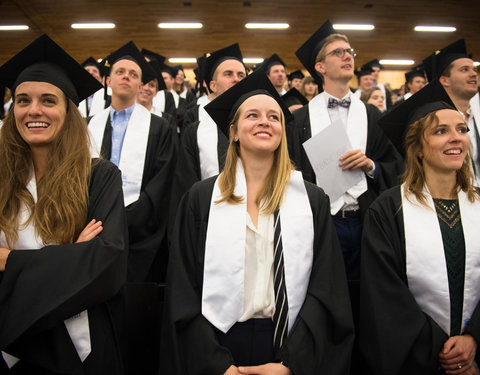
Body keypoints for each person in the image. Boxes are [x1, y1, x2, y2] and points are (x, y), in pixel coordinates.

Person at [161, 67, 354, 375]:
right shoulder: (200, 199)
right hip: (216, 346)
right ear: (233, 131)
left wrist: (291, 364)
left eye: (274, 116)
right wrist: (215, 364)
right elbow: (183, 288)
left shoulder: (312, 200)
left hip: (287, 346)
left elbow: (325, 289)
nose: (265, 121)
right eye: (252, 115)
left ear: (282, 131)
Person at [0, 34, 127, 374]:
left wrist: (9, 260)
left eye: (48, 100)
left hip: (79, 345)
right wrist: (72, 256)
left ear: (68, 111)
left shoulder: (99, 176)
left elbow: (107, 265)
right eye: (23, 101)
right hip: (9, 341)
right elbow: (86, 261)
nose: (34, 110)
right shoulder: (0, 177)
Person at [360, 79, 480, 375]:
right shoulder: (388, 210)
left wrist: (473, 338)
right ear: (418, 148)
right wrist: (441, 350)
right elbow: (386, 297)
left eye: (461, 129)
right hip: (416, 360)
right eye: (441, 131)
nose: (456, 138)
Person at [169, 43, 246, 219]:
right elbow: (185, 186)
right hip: (207, 217)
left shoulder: (262, 129)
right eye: (228, 74)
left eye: (241, 75)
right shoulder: (194, 132)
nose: (236, 79)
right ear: (212, 85)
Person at [424, 39, 479, 186]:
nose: (474, 74)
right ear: (444, 80)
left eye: (474, 69)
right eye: (464, 70)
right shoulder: (431, 122)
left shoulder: (476, 117)